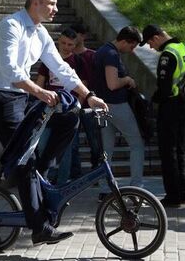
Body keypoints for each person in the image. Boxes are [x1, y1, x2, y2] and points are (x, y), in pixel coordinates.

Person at [0, 0, 107, 245]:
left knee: (70, 117)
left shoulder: (40, 33)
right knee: (25, 160)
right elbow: (12, 72)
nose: (56, 9)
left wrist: (88, 96)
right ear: (35, 3)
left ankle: (42, 171)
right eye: (51, 4)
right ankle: (40, 228)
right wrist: (39, 91)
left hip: (23, 97)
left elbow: (61, 68)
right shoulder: (9, 27)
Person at [140, 24, 185, 208]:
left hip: (170, 106)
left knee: (168, 151)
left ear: (155, 37)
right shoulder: (184, 47)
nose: (150, 47)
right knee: (179, 149)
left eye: (149, 43)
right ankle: (183, 192)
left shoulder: (167, 55)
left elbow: (164, 87)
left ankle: (173, 196)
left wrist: (152, 101)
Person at [92, 26, 145, 200]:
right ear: (124, 41)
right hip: (116, 105)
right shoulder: (112, 54)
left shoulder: (101, 50)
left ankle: (105, 190)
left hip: (102, 107)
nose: (132, 50)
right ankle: (136, 188)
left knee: (107, 150)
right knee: (137, 144)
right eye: (132, 46)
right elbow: (113, 84)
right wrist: (128, 80)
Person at [35, 28, 86, 184]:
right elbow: (40, 82)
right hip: (48, 109)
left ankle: (62, 184)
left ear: (75, 45)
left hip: (68, 111)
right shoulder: (48, 60)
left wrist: (78, 109)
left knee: (66, 150)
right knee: (43, 146)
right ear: (58, 41)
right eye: (63, 42)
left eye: (70, 44)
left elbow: (84, 86)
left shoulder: (78, 61)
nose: (65, 47)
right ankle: (43, 179)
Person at [70, 23, 102, 168]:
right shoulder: (66, 58)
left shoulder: (92, 56)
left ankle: (96, 170)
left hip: (90, 106)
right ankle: (75, 173)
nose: (74, 38)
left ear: (83, 36)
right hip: (72, 105)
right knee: (72, 144)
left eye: (76, 34)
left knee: (95, 142)